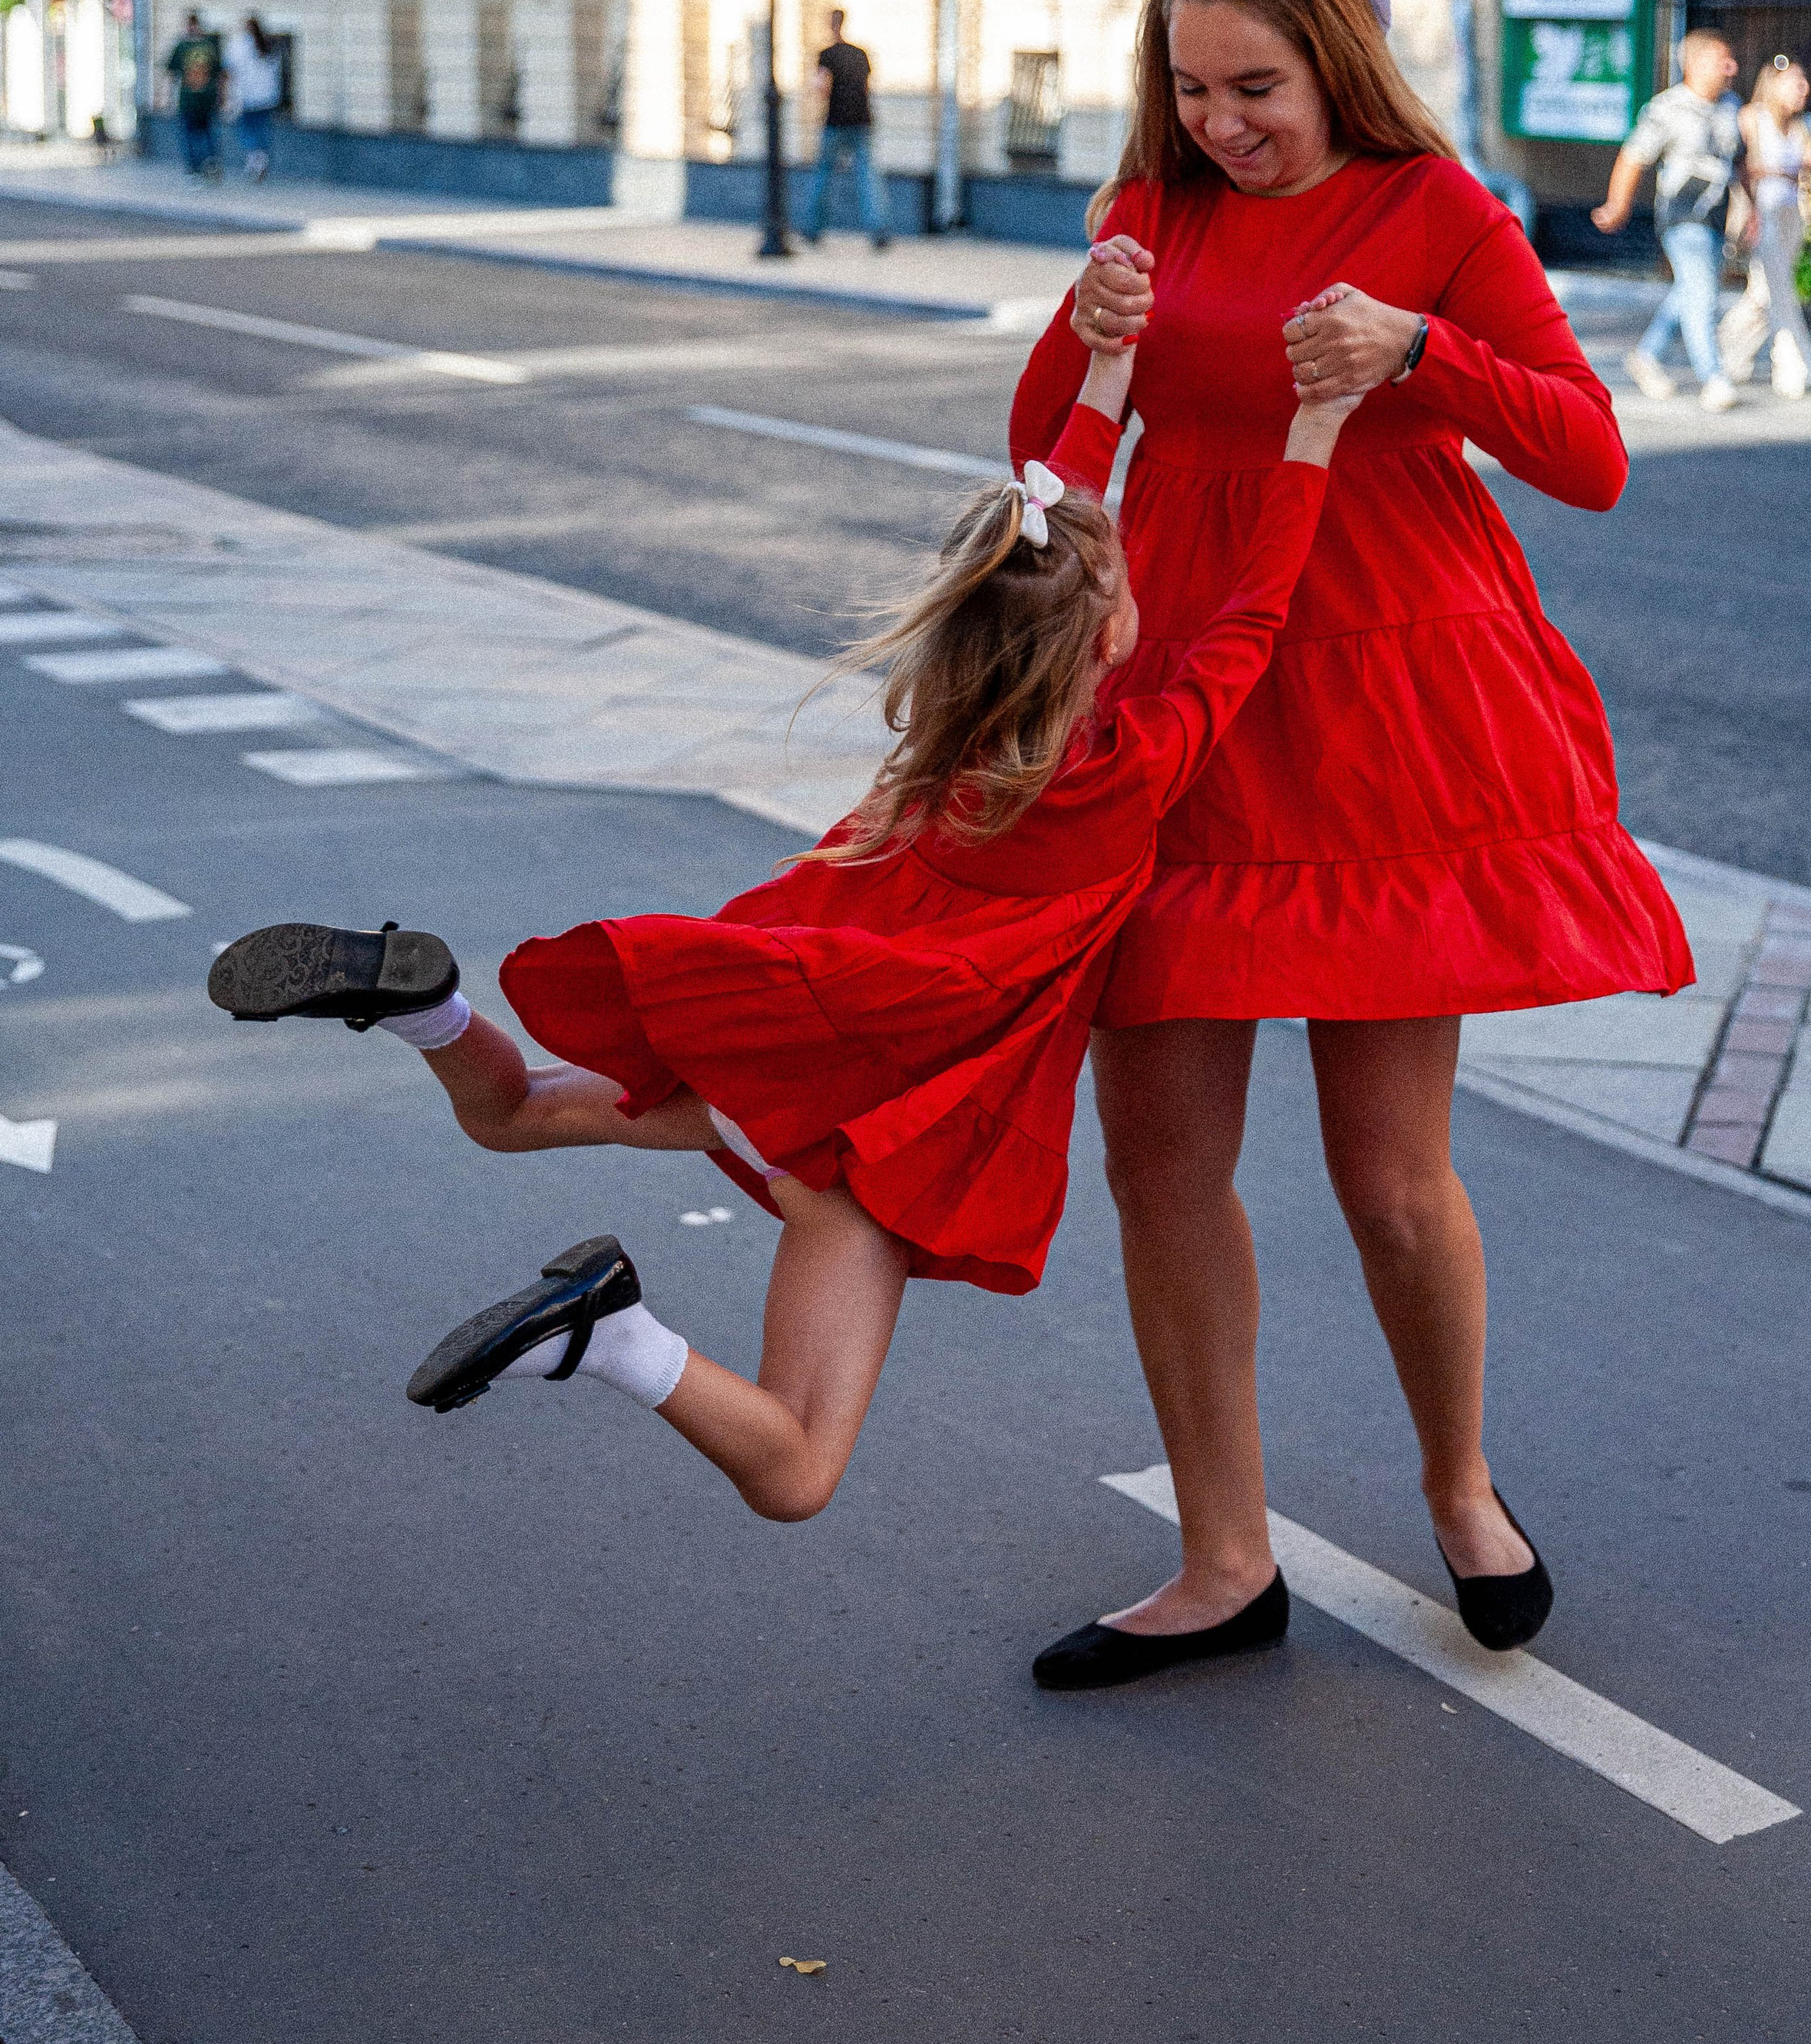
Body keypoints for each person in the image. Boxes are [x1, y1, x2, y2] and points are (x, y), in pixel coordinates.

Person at [205, 329, 1347, 1539]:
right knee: (795, 1470)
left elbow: (1051, 525)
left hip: (790, 1060)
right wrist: (1315, 429)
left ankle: (423, 1005)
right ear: (1109, 637)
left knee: (509, 1114)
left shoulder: (942, 757)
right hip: (867, 1139)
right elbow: (1255, 609)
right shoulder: (1134, 769)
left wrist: (1106, 378)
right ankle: (612, 1337)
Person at [1013, 0, 1692, 1687]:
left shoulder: (1436, 212)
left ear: (1335, 60)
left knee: (1385, 1177)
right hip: (1175, 695)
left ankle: (1460, 1488)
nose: (1221, 123)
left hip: (1390, 705)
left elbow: (1589, 451)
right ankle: (1220, 1559)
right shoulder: (1143, 210)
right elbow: (1049, 460)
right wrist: (1081, 336)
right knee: (1158, 1162)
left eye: (1254, 86)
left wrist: (1416, 350)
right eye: (1188, 86)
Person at [1591, 28, 1740, 410]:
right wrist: (1616, 205)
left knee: (1689, 290)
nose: (1731, 68)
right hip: (1682, 215)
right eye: (1722, 60)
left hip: (1717, 217)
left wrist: (1749, 210)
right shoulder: (1666, 108)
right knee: (1702, 292)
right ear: (1693, 64)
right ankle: (1713, 377)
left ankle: (1646, 355)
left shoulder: (1731, 106)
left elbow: (1739, 166)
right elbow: (1633, 156)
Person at [1718, 55, 1811, 399]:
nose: (1803, 89)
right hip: (1761, 214)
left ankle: (1726, 346)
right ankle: (1795, 367)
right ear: (1774, 84)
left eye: (1805, 82)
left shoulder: (1801, 127)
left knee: (1763, 294)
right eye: (1795, 82)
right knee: (1781, 292)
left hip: (1790, 217)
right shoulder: (1752, 119)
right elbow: (1741, 169)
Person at [801, 8, 891, 250]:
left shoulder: (827, 55)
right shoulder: (861, 54)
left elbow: (822, 88)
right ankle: (878, 228)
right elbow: (868, 87)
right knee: (867, 176)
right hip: (862, 120)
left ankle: (812, 228)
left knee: (823, 174)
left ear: (831, 25)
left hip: (836, 121)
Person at [164, 9, 225, 181]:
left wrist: (167, 99)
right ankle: (211, 163)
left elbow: (172, 74)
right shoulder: (210, 46)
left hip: (189, 99)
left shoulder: (182, 46)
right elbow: (220, 75)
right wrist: (221, 97)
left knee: (190, 135)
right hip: (207, 98)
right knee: (208, 133)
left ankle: (195, 169)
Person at [223, 14, 283, 182]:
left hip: (247, 96)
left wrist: (226, 96)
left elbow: (228, 70)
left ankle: (254, 161)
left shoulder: (239, 45)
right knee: (262, 130)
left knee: (247, 130)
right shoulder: (268, 44)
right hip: (267, 97)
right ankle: (261, 160)